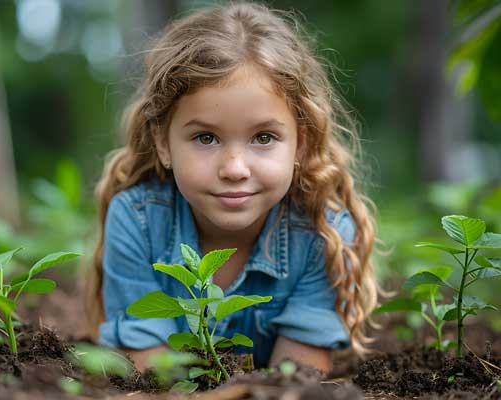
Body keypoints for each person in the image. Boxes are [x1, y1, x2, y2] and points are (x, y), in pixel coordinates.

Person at [83, 1, 378, 374]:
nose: (235, 169)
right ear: (163, 142)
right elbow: (151, 371)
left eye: (264, 137)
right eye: (206, 138)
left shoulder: (322, 234)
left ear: (300, 143)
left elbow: (298, 377)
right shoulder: (136, 221)